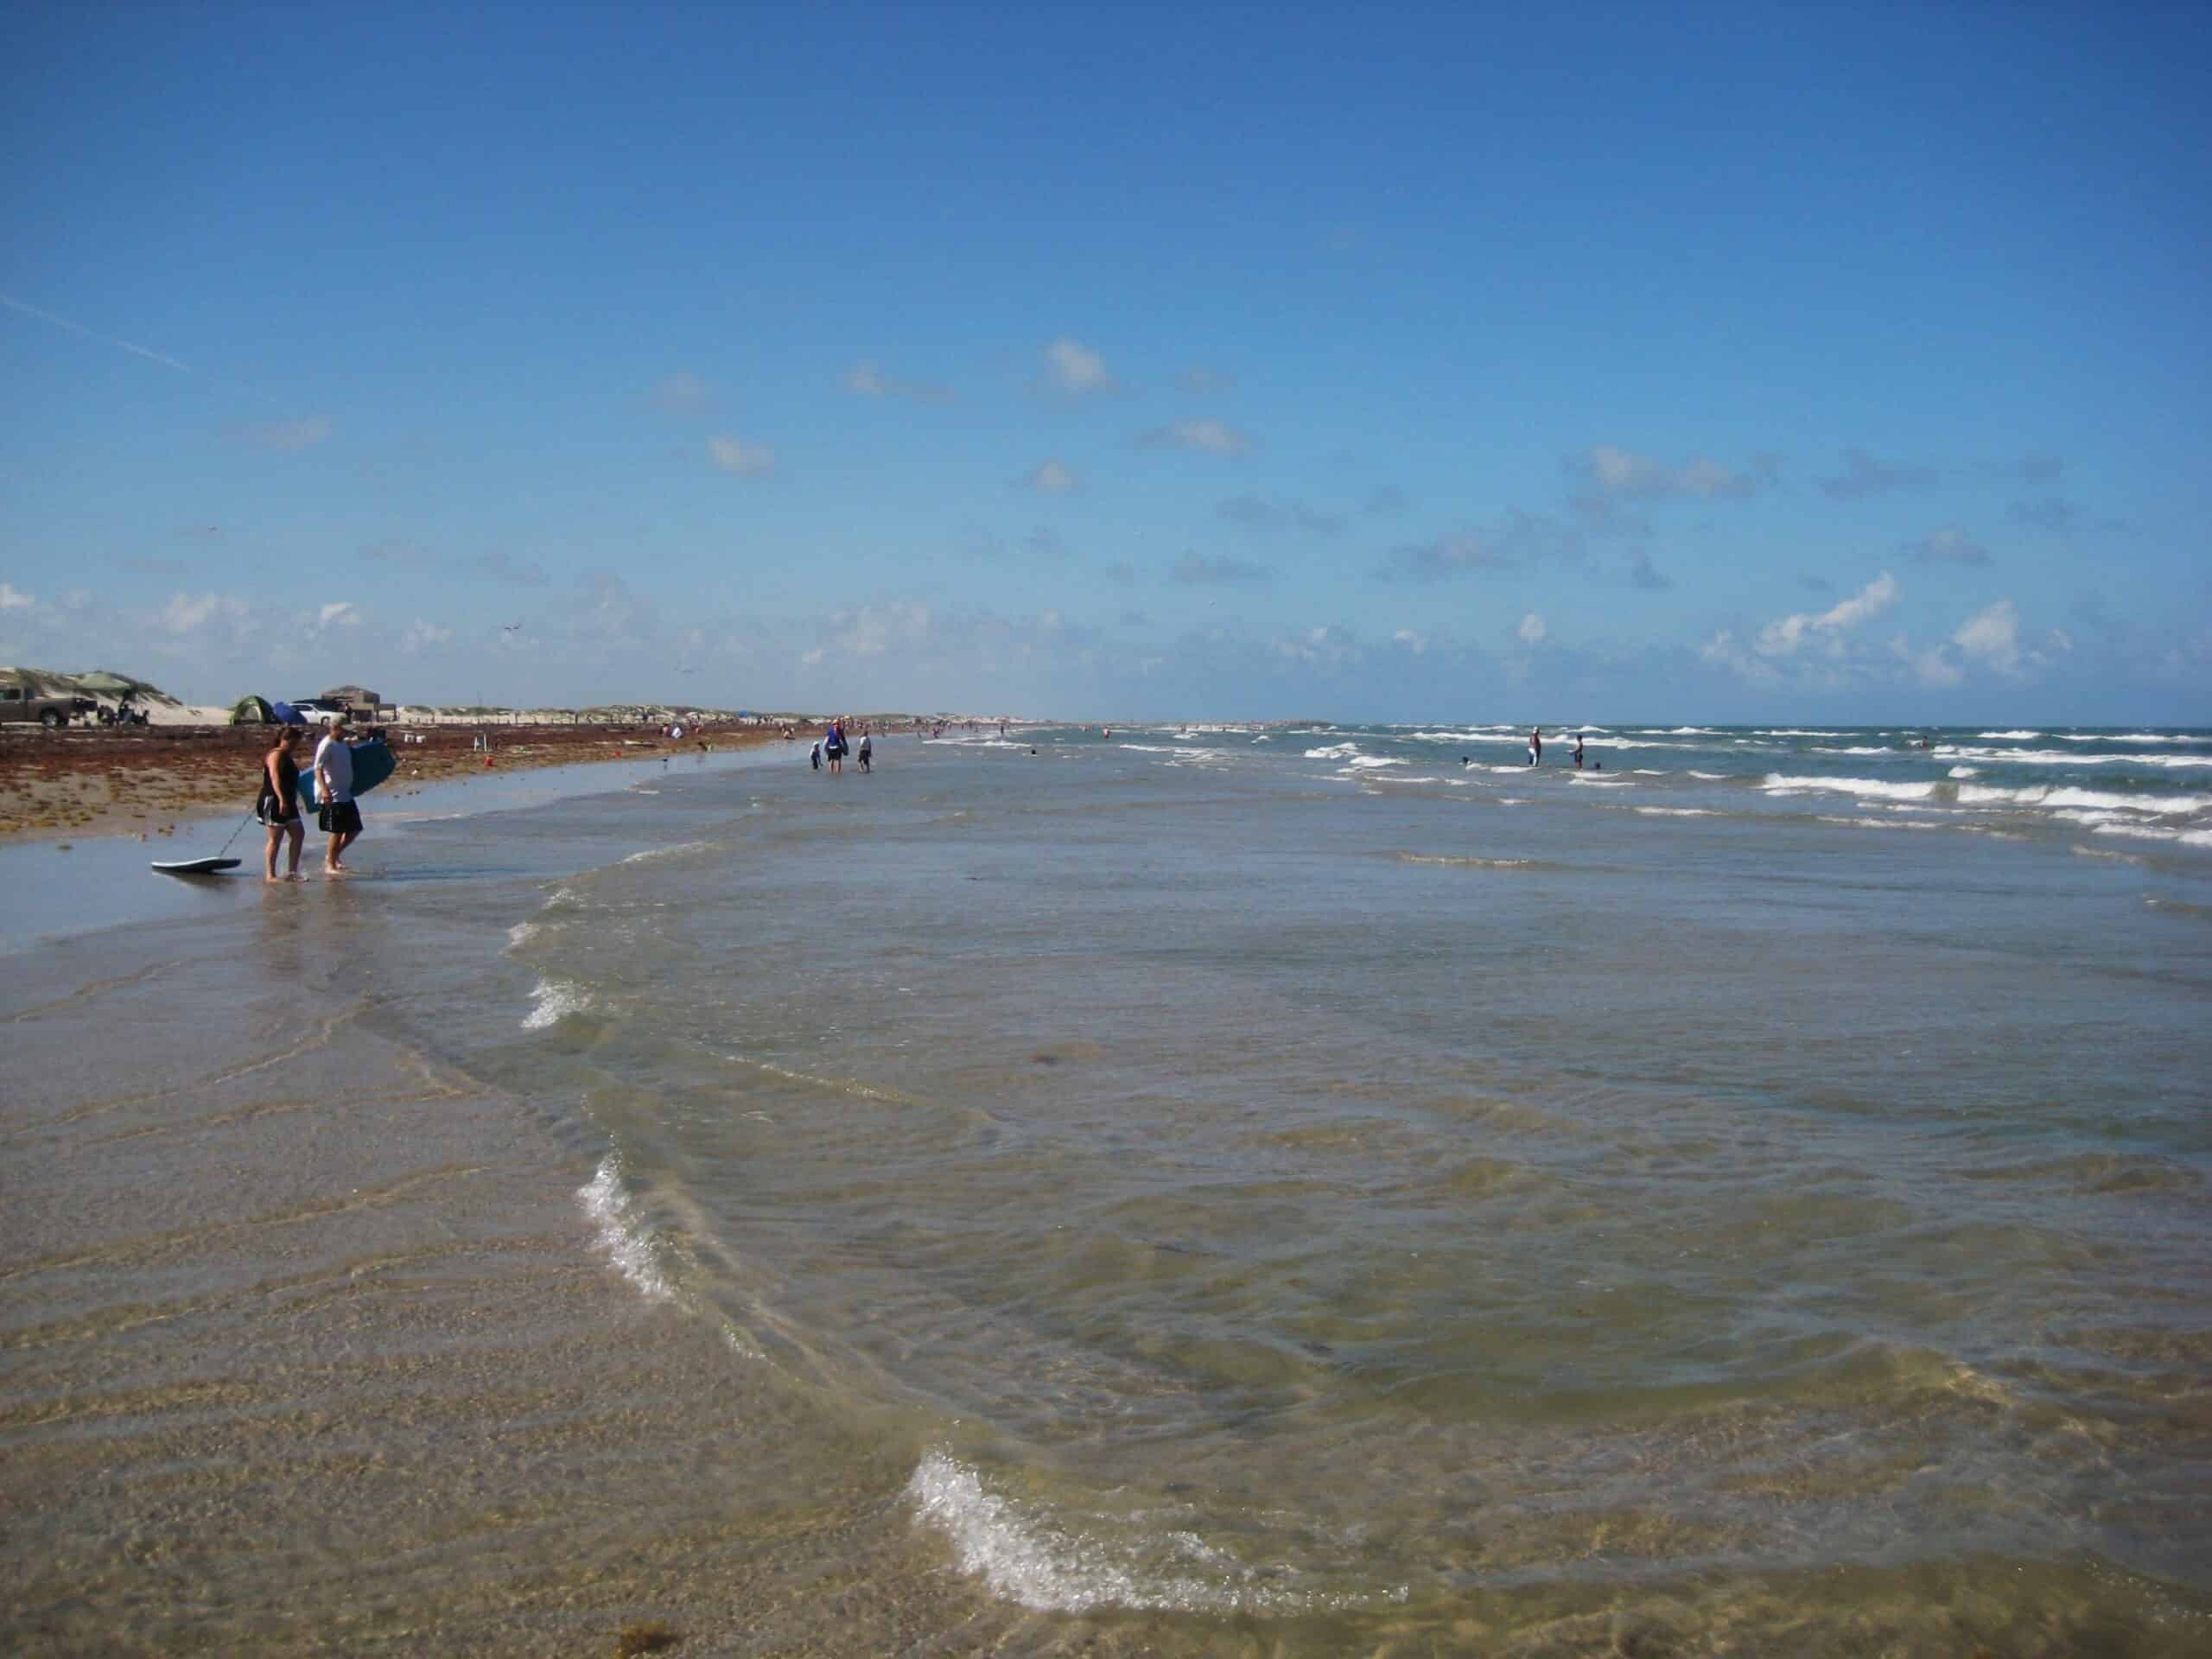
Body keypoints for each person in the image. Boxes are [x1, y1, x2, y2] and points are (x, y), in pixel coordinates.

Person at [314, 715, 365, 874]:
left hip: (346, 794)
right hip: (333, 794)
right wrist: (325, 791)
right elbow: (317, 769)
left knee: (354, 829)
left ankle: (333, 856)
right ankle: (330, 864)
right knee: (337, 831)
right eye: (344, 729)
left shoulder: (342, 744)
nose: (346, 733)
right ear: (335, 727)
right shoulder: (326, 744)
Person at [258, 726, 304, 881]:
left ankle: (292, 872)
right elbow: (274, 777)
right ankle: (270, 874)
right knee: (275, 838)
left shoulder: (287, 755)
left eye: (296, 744)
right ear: (283, 740)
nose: (294, 747)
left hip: (289, 801)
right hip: (274, 800)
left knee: (298, 834)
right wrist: (282, 799)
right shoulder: (275, 755)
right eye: (292, 743)